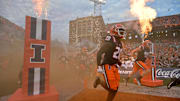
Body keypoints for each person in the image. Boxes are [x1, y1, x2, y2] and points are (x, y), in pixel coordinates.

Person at [93, 24, 126, 101]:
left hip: (114, 66)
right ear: (115, 31)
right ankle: (100, 82)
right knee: (113, 89)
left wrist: (120, 63)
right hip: (107, 65)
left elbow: (114, 56)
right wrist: (99, 66)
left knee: (116, 88)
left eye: (123, 31)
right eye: (120, 31)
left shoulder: (120, 42)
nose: (122, 33)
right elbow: (100, 52)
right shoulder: (110, 39)